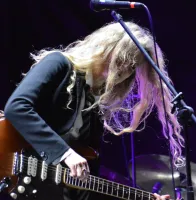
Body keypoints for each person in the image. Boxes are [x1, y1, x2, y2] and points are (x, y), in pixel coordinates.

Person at [4, 21, 183, 200]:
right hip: (10, 168)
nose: (125, 68)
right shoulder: (59, 63)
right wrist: (64, 153)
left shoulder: (97, 103)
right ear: (105, 48)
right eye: (122, 58)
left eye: (132, 66)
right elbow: (17, 106)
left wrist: (144, 197)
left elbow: (92, 178)